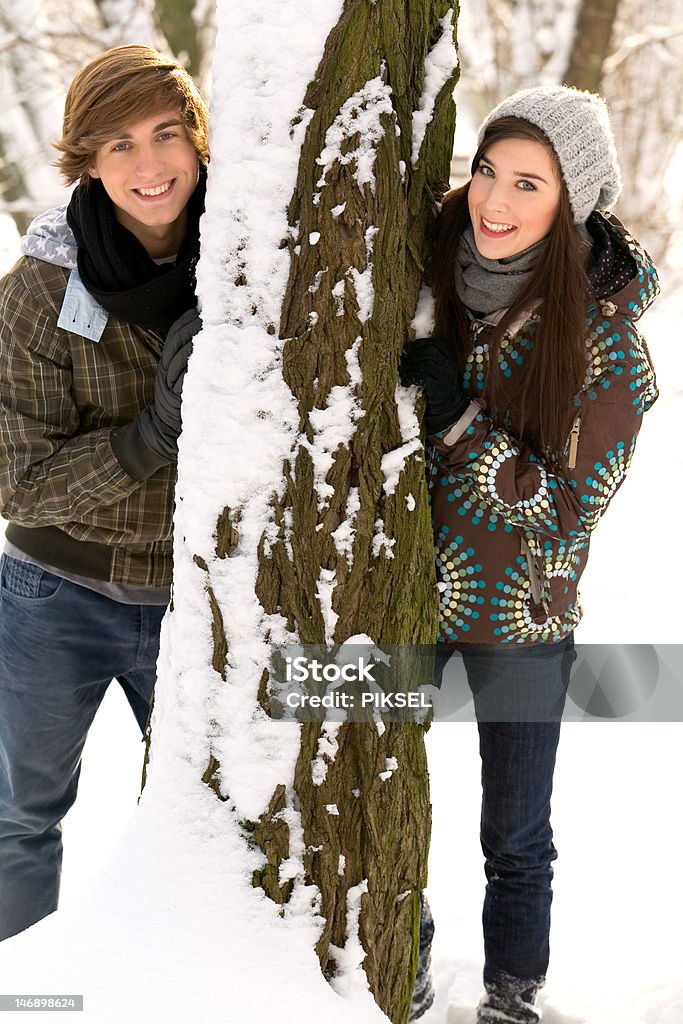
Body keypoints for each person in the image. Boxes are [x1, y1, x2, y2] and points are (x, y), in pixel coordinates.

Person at [400, 86, 658, 1023]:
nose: (492, 201)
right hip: (397, 594)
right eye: (484, 170)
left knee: (513, 832)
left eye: (525, 183)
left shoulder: (610, 351)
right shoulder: (423, 276)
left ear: (570, 203)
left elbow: (567, 514)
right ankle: (403, 959)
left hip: (520, 610)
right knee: (381, 792)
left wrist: (460, 424)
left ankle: (512, 994)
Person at [0, 45, 208, 941]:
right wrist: (151, 437)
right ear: (84, 161)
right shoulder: (40, 291)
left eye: (167, 135)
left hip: (200, 600)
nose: (149, 166)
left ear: (201, 141)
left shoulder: (261, 263)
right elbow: (21, 482)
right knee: (19, 819)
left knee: (215, 824)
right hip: (57, 596)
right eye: (118, 145)